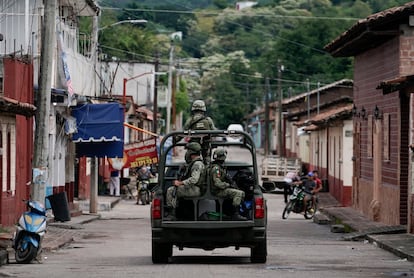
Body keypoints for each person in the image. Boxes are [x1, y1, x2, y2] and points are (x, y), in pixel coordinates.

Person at [165, 142, 205, 220]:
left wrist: (180, 183)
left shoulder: (197, 164)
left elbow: (194, 179)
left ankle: (172, 214)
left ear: (191, 153)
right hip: (195, 188)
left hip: (196, 189)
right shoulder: (195, 163)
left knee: (171, 190)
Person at [210, 149, 247, 221]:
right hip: (217, 191)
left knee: (240, 192)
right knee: (238, 193)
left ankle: (233, 212)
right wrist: (228, 185)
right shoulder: (216, 169)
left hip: (219, 190)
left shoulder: (221, 167)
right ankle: (235, 215)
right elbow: (217, 183)